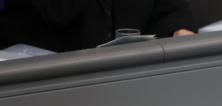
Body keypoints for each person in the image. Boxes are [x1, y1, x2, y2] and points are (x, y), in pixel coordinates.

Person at [0, 0, 196, 52]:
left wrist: (179, 32)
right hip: (51, 80)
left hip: (128, 72)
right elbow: (57, 11)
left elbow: (169, 8)